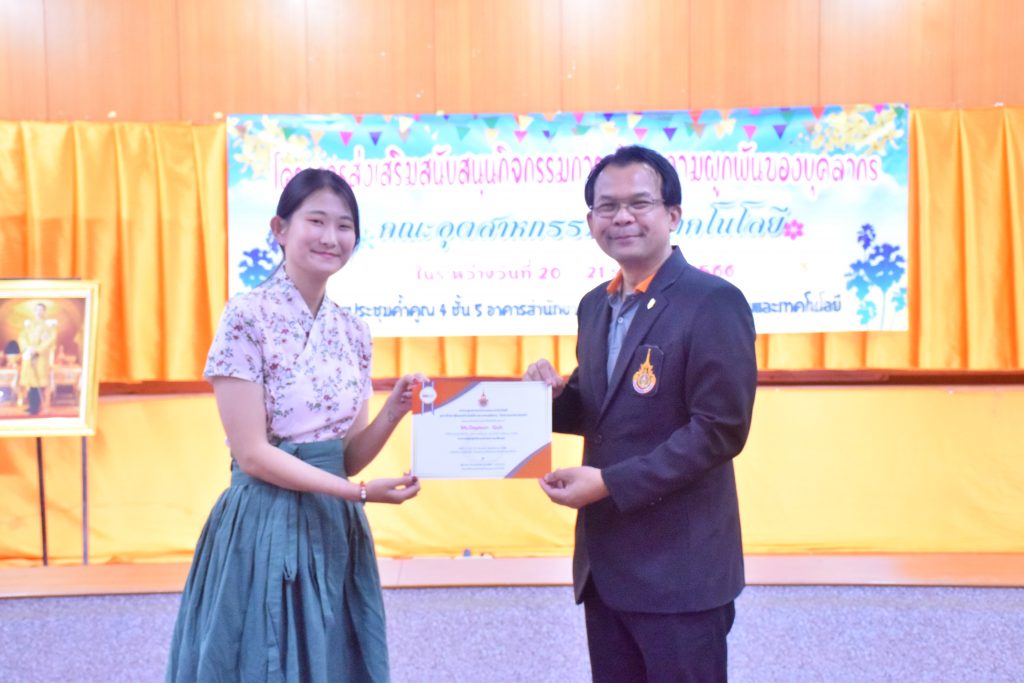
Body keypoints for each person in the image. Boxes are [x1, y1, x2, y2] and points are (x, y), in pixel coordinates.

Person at [167, 168, 421, 682]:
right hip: (264, 521)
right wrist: (358, 495)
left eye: (344, 226)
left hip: (333, 524)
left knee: (334, 659)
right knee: (263, 659)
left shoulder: (353, 330)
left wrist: (393, 411)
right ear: (280, 229)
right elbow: (253, 454)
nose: (331, 237)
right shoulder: (246, 317)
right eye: (316, 221)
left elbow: (347, 456)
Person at [525, 145, 757, 682]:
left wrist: (610, 483)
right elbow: (601, 409)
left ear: (673, 214)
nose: (622, 217)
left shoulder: (712, 301)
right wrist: (550, 399)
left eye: (639, 203)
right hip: (606, 567)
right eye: (607, 206)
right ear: (591, 221)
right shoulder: (595, 305)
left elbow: (719, 431)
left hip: (681, 571)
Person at [18, 302, 57, 414]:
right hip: (29, 356)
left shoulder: (49, 327)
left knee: (37, 383)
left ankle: (36, 407)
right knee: (30, 383)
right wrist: (28, 348)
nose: (38, 312)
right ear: (34, 311)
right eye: (37, 310)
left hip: (40, 358)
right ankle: (31, 405)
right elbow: (22, 337)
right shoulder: (28, 325)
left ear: (44, 312)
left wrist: (37, 349)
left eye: (41, 310)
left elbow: (50, 340)